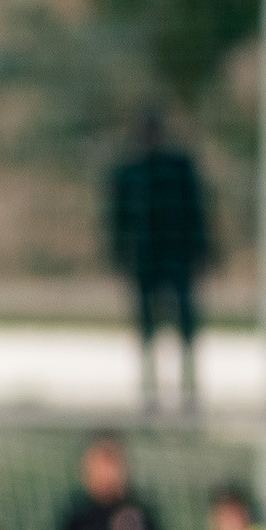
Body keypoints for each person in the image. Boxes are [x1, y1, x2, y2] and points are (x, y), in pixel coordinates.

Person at [106, 110, 212, 415]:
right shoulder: (131, 172)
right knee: (147, 326)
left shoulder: (178, 168)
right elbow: (119, 219)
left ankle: (189, 390)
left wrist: (200, 251)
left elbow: (195, 210)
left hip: (176, 256)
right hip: (147, 257)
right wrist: (120, 256)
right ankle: (149, 392)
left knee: (186, 324)